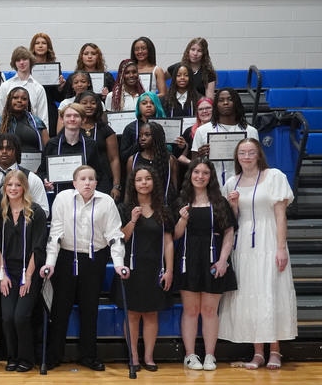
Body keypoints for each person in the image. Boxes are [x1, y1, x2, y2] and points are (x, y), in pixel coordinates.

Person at [219, 138, 297, 370]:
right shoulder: (232, 182)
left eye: (251, 152)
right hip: (243, 244)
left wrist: (281, 247)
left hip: (269, 238)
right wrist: (233, 206)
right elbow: (232, 220)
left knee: (270, 291)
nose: (246, 156)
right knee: (250, 293)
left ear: (258, 154)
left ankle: (275, 350)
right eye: (242, 152)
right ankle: (258, 353)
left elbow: (280, 214)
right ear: (237, 156)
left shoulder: (274, 176)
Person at [40, 165, 128, 371]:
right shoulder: (63, 198)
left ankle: (89, 356)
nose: (87, 182)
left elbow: (115, 235)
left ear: (96, 183)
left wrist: (118, 264)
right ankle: (54, 355)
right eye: (83, 179)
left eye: (91, 179)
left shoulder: (106, 201)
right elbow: (56, 233)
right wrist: (50, 262)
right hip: (66, 258)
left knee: (90, 310)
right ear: (74, 183)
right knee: (60, 308)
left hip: (93, 259)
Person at [172, 158, 237, 371]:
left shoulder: (219, 202)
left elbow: (229, 233)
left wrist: (223, 260)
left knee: (210, 310)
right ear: (190, 174)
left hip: (213, 258)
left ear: (211, 177)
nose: (200, 176)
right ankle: (190, 355)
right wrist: (182, 220)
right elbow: (174, 236)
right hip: (187, 258)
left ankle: (210, 355)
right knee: (190, 310)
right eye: (196, 172)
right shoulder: (181, 200)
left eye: (205, 173)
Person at [113, 166, 174, 372]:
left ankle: (149, 356)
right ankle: (134, 356)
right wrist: (132, 220)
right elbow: (120, 238)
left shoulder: (163, 210)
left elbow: (168, 242)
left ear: (154, 182)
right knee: (131, 314)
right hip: (132, 268)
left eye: (148, 179)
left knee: (151, 314)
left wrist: (170, 270)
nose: (144, 183)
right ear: (134, 183)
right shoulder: (124, 208)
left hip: (155, 269)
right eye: (139, 180)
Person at [0, 169, 47, 373]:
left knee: (21, 316)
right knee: (7, 317)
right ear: (5, 188)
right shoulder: (0, 213)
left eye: (18, 185)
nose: (13, 188)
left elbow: (38, 246)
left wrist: (28, 277)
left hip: (30, 272)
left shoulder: (36, 212)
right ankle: (12, 357)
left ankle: (27, 358)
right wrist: (2, 274)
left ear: (24, 187)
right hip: (8, 272)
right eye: (10, 185)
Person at [191, 87, 259, 187]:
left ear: (236, 102)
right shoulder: (202, 130)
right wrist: (200, 156)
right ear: (216, 105)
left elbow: (258, 161)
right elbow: (193, 164)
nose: (225, 103)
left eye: (230, 99)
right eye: (221, 100)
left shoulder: (250, 131)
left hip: (244, 184)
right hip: (212, 185)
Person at [38, 103, 101, 195]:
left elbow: (98, 172)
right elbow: (42, 171)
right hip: (59, 195)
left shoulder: (90, 144)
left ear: (83, 120)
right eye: (68, 116)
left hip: (84, 195)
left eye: (76, 116)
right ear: (61, 120)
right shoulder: (52, 144)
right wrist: (45, 180)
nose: (72, 119)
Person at [0, 133, 50, 215]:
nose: (4, 151)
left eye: (9, 148)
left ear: (17, 151)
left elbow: (44, 211)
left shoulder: (31, 178)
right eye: (0, 148)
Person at [0, 87, 49, 171]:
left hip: (35, 170)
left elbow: (48, 148)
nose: (19, 100)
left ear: (28, 102)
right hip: (8, 170)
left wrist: (41, 170)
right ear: (9, 100)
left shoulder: (37, 121)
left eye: (24, 98)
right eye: (15, 97)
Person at [75, 91, 121, 198]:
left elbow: (114, 159)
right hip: (78, 179)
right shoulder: (73, 129)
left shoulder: (105, 130)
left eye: (92, 103)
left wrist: (116, 185)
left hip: (103, 179)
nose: (89, 106)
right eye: (84, 103)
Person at [0, 46, 49, 128]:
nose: (21, 62)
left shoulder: (38, 88)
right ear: (14, 63)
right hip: (9, 131)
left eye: (24, 59)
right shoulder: (6, 86)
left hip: (31, 132)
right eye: (18, 60)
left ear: (30, 61)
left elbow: (43, 119)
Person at [126, 122, 178, 202]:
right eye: (140, 135)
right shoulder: (133, 159)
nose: (142, 138)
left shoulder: (169, 160)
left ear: (157, 137)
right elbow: (128, 190)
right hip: (140, 207)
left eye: (147, 135)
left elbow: (174, 188)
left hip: (163, 207)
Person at [29, 33, 65, 135]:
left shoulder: (54, 68)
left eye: (44, 43)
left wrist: (60, 88)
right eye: (37, 43)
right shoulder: (27, 66)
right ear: (33, 46)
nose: (40, 46)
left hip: (50, 110)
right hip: (31, 108)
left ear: (48, 46)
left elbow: (58, 98)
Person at [119, 91, 166, 168]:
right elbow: (123, 156)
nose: (148, 106)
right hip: (138, 166)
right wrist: (139, 144)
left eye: (152, 103)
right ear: (138, 107)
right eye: (144, 103)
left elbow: (171, 152)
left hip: (160, 165)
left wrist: (181, 147)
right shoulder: (130, 128)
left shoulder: (164, 125)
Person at [175, 97, 214, 171]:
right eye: (200, 109)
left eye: (208, 108)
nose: (204, 111)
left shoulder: (219, 129)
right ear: (197, 112)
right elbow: (180, 156)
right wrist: (193, 163)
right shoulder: (189, 131)